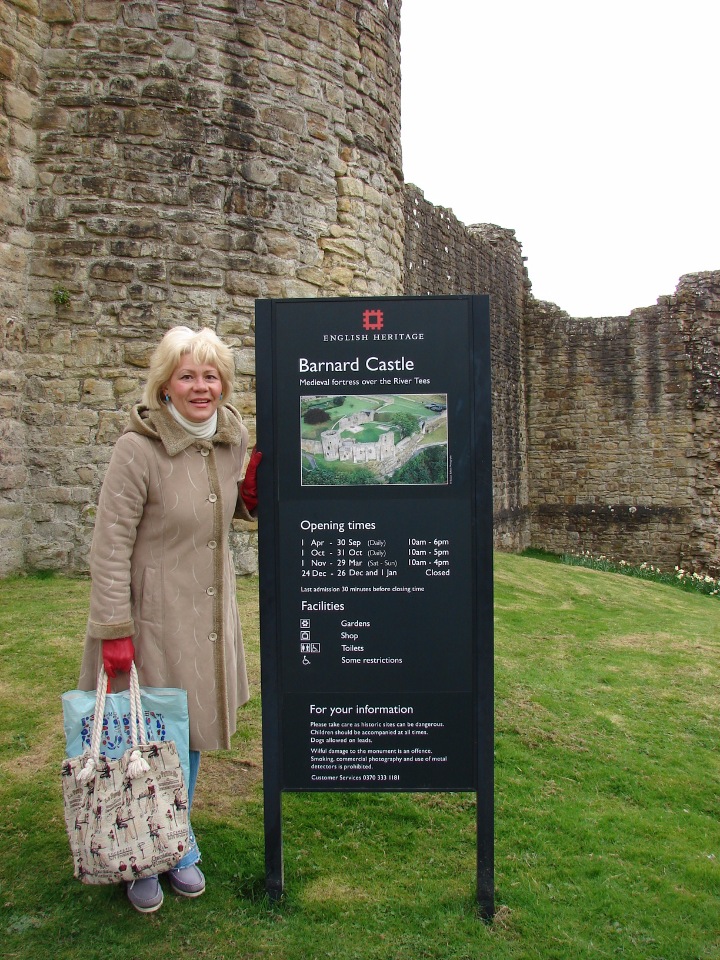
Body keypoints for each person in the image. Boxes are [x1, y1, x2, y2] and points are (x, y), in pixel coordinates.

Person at [78, 326, 261, 913]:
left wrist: (251, 497)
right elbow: (109, 547)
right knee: (146, 735)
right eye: (187, 376)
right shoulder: (138, 449)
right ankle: (142, 853)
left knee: (191, 733)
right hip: (150, 617)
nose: (200, 387)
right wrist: (114, 631)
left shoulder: (232, 438)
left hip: (207, 612)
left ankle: (174, 841)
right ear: (165, 385)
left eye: (211, 376)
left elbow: (224, 510)